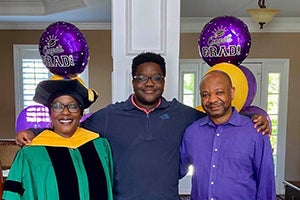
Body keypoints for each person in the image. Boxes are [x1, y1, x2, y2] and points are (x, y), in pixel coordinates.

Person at [15, 52, 270, 200]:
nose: (149, 83)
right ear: (133, 80)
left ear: (164, 81)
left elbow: (218, 117)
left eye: (156, 77)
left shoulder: (182, 115)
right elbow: (70, 126)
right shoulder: (110, 116)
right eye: (142, 78)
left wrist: (254, 120)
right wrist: (35, 132)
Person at [3, 77, 114, 199]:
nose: (65, 112)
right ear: (50, 113)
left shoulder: (100, 146)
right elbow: (13, 195)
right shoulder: (30, 154)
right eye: (57, 106)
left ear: (81, 113)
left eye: (73, 106)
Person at [180, 70, 276, 200]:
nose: (212, 99)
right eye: (205, 95)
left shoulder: (256, 131)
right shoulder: (192, 133)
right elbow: (175, 170)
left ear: (232, 92)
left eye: (219, 92)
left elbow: (266, 183)